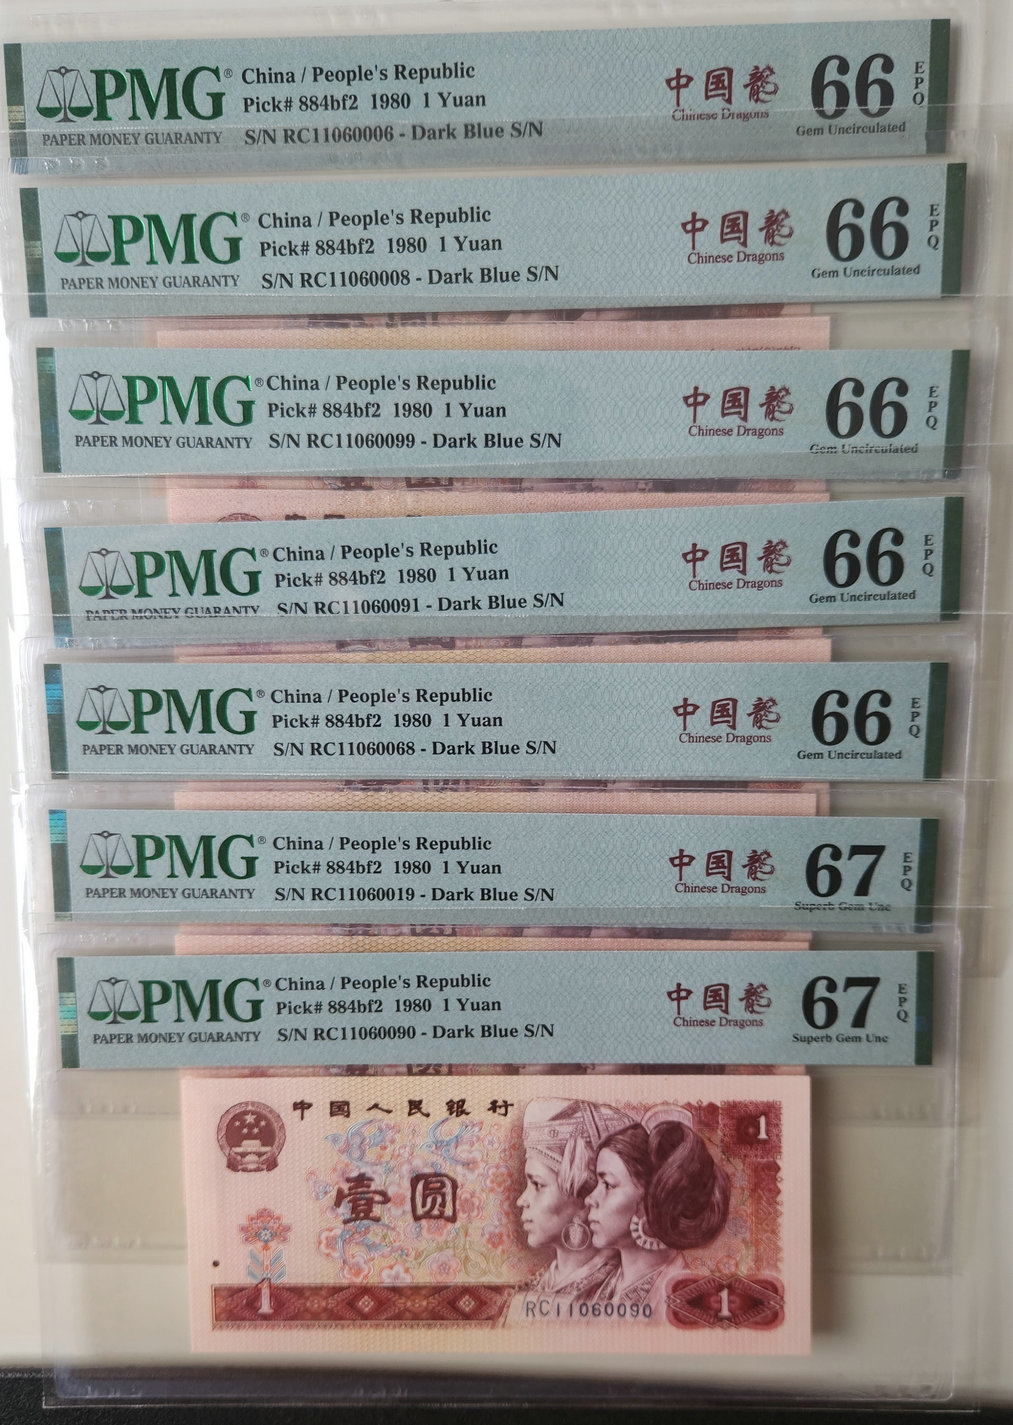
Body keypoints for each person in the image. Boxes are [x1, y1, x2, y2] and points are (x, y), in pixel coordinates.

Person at [584, 1105, 730, 1312]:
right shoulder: (600, 1287)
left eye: (607, 1184)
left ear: (650, 1199)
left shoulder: (680, 1300)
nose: (590, 1199)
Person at [516, 1098, 634, 1300]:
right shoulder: (537, 1286)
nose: (521, 1201)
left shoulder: (618, 1290)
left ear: (584, 1201)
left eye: (537, 1184)